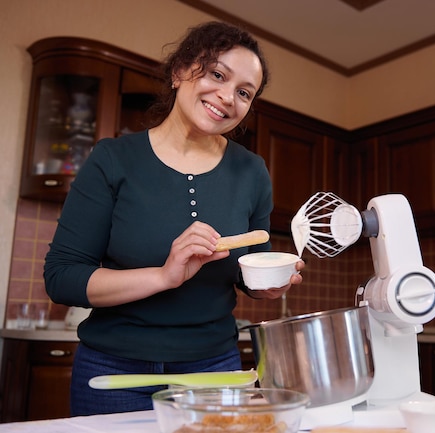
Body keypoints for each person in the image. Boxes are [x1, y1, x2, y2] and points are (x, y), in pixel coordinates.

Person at [44, 21, 304, 416]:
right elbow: (62, 277)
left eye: (244, 92)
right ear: (180, 70)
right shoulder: (113, 160)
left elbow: (248, 266)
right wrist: (163, 276)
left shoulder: (252, 172)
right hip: (115, 371)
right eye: (217, 74)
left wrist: (266, 285)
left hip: (213, 372)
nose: (228, 97)